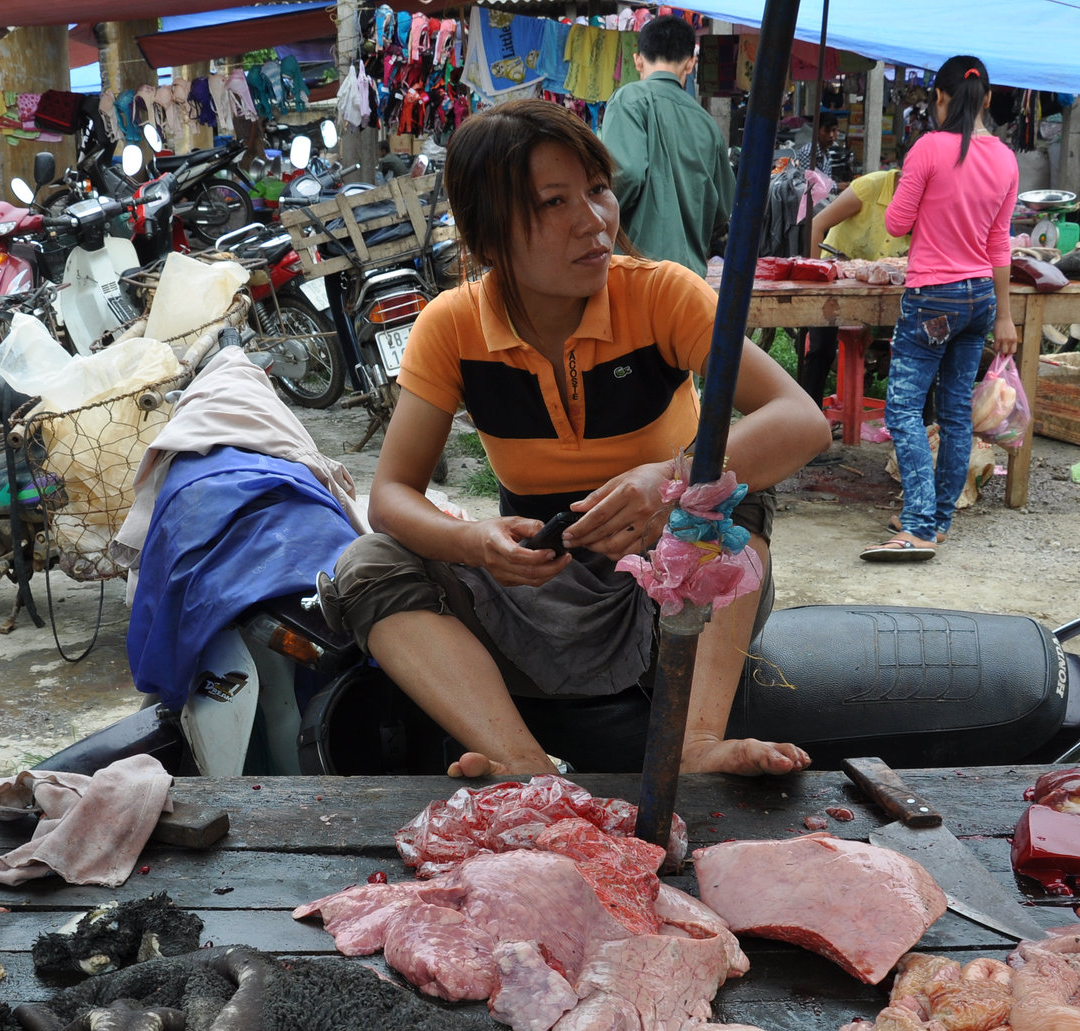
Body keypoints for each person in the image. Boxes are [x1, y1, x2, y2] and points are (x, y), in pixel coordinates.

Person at [325, 101, 831, 779]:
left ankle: (697, 742)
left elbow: (801, 420)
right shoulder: (450, 327)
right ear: (490, 232)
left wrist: (671, 480)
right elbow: (390, 496)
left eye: (597, 189)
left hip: (667, 589)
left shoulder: (661, 297)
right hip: (537, 589)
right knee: (368, 565)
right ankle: (526, 767)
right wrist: (474, 542)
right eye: (553, 202)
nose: (594, 220)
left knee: (729, 500)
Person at [864, 55, 1018, 563]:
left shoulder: (928, 148)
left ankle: (918, 526)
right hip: (980, 299)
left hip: (934, 296)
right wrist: (1005, 315)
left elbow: (895, 224)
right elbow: (1000, 244)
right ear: (988, 99)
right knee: (954, 413)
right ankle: (939, 519)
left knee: (904, 409)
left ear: (940, 98)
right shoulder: (1005, 159)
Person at [598, 14, 734, 276]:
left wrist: (593, 217)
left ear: (638, 60)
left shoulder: (629, 99)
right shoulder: (707, 124)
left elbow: (626, 174)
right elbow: (723, 209)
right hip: (690, 278)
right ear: (691, 64)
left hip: (636, 272)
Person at [795, 166, 911, 405]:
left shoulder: (929, 200)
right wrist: (815, 284)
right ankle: (806, 417)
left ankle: (925, 428)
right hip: (835, 278)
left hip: (883, 288)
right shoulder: (871, 187)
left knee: (920, 346)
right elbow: (817, 225)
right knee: (821, 349)